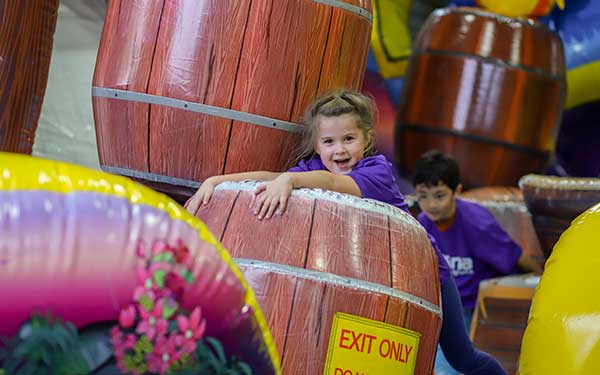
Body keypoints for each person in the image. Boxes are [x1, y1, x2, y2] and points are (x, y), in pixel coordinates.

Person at [186, 90, 507, 375]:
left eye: (348, 139)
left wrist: (289, 181)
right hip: (373, 282)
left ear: (367, 138)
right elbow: (271, 176)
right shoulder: (312, 170)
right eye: (328, 142)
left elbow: (332, 184)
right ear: (316, 145)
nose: (339, 150)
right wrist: (218, 180)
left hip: (424, 276)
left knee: (462, 358)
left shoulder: (376, 171)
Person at [412, 149, 543, 375]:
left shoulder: (477, 224)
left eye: (439, 195)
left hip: (471, 304)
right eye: (423, 196)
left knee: (447, 366)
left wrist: (544, 282)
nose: (431, 204)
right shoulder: (420, 225)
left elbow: (516, 256)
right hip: (440, 304)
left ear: (457, 191)